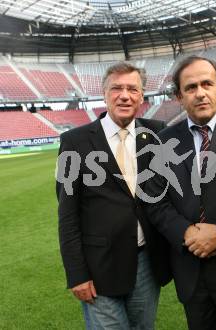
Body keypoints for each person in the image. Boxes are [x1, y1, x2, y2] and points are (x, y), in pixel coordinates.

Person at [144, 55, 216, 330]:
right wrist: (186, 233)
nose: (200, 93)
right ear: (179, 96)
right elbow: (155, 201)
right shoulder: (164, 142)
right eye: (191, 87)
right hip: (190, 270)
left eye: (207, 84)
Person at [56, 62, 171, 329]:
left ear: (142, 97)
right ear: (104, 93)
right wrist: (76, 273)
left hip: (145, 262)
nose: (124, 95)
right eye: (116, 88)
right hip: (99, 266)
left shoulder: (158, 133)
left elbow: (197, 136)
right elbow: (67, 213)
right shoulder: (74, 141)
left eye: (133, 89)